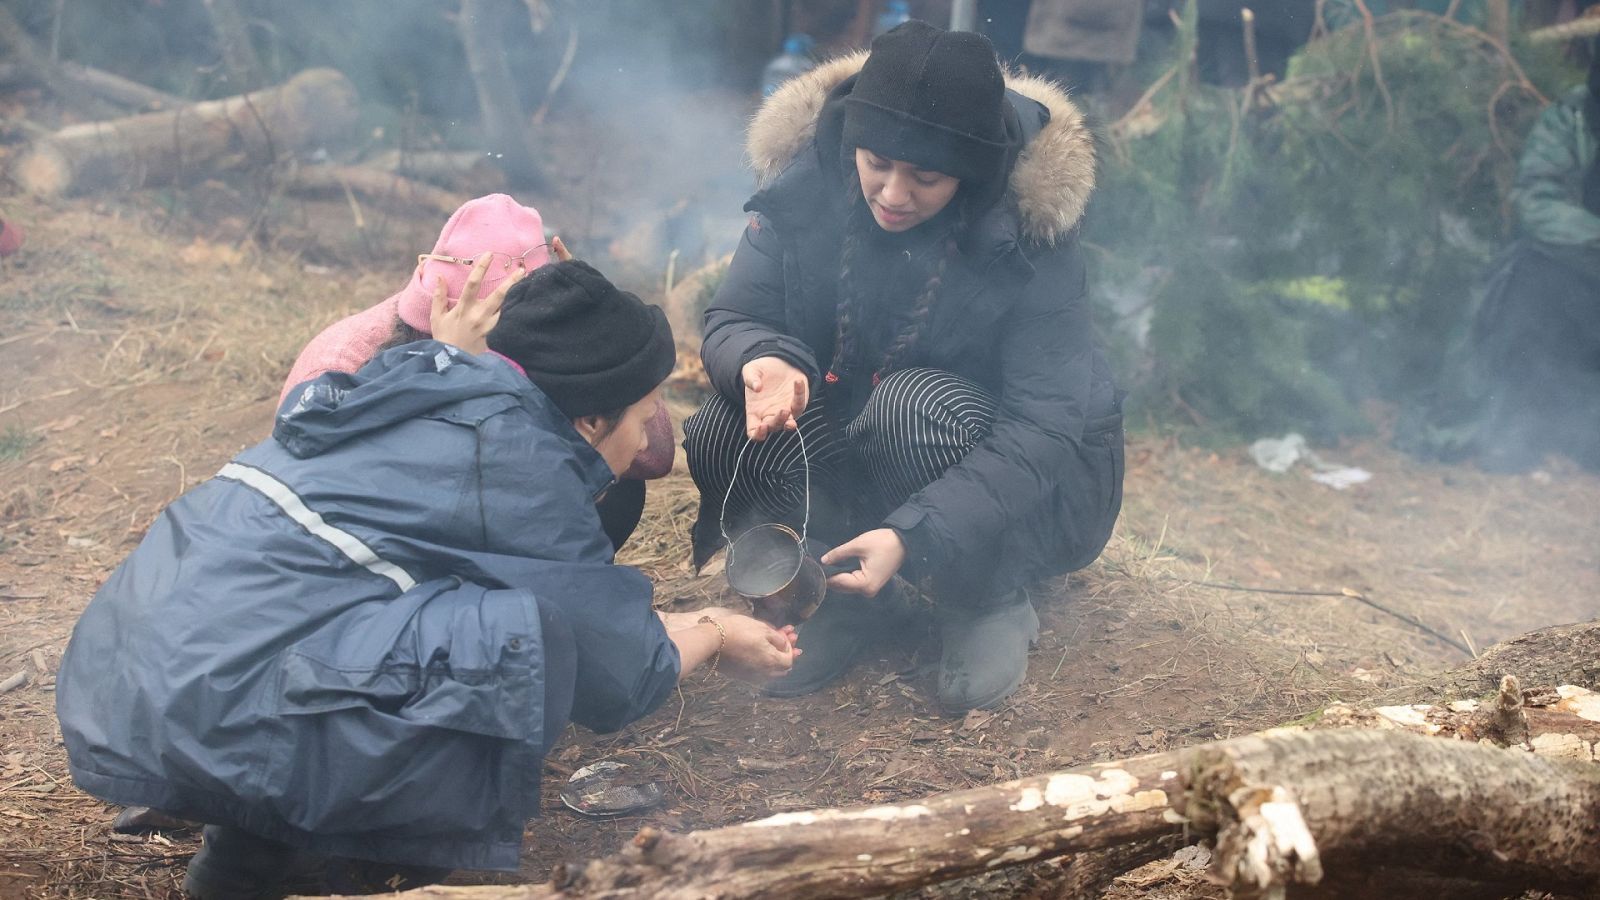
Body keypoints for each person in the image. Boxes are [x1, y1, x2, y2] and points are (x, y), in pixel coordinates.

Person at [56, 260, 798, 897]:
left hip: (138, 666)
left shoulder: (428, 384)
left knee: (402, 617)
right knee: (518, 639)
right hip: (221, 695)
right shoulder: (519, 463)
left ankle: (249, 859)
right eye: (641, 416)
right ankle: (352, 858)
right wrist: (716, 628)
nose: (646, 440)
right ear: (589, 419)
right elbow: (620, 667)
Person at [683, 20, 1124, 715]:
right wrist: (764, 360)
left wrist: (913, 536)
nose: (892, 193)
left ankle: (984, 595)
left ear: (972, 171)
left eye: (926, 177)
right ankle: (834, 589)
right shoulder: (807, 179)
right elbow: (736, 316)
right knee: (720, 424)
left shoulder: (1029, 229)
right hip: (859, 432)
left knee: (915, 407)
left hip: (995, 467)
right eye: (877, 163)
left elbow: (1045, 424)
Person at [280, 193, 676, 550]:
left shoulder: (531, 347)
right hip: (383, 550)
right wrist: (450, 367)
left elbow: (652, 459)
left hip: (489, 523)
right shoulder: (340, 362)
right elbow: (349, 502)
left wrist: (601, 325)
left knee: (614, 484)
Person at [1471, 46, 1600, 473]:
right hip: (1584, 272)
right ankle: (1517, 432)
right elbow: (1536, 199)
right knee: (1528, 278)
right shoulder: (1573, 118)